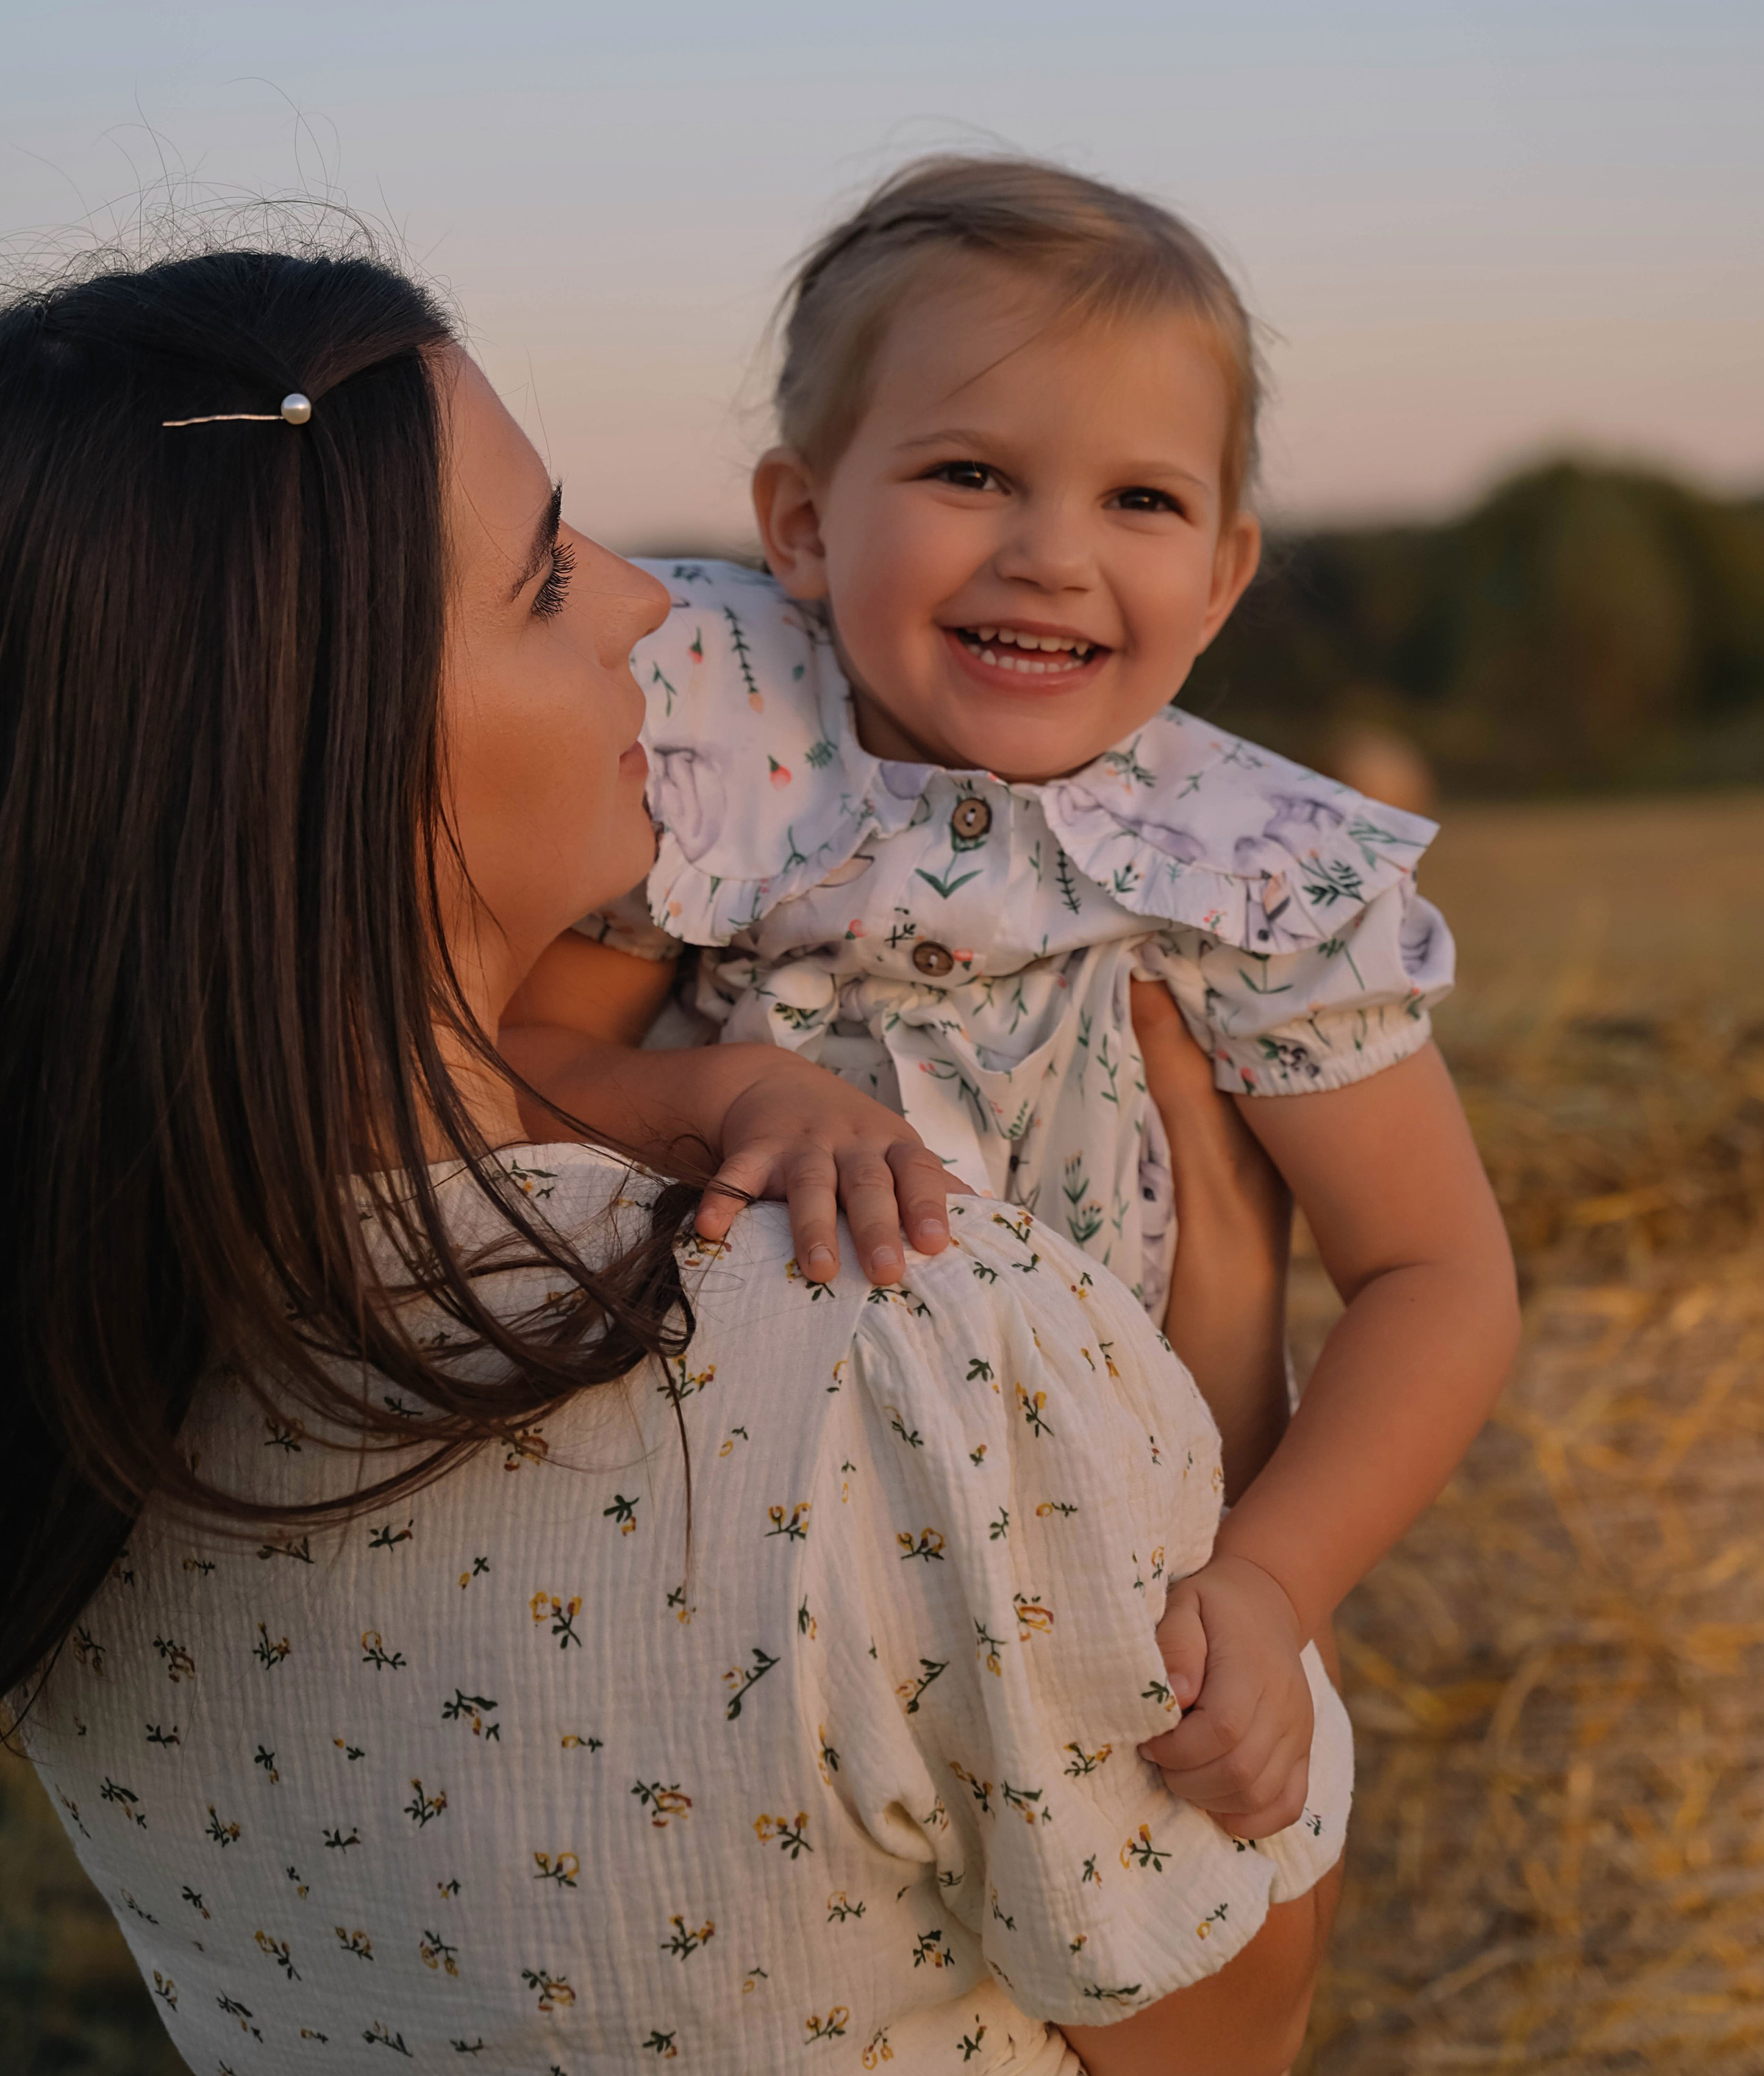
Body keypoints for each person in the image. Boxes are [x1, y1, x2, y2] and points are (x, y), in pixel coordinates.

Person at [2, 240, 1349, 2075]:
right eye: (547, 579)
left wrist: (696, 1084)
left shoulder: (71, 1359)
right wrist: (1219, 1361)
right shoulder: (902, 1339)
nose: (645, 601)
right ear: (328, 733)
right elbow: (1220, 2027)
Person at [514, 154, 1520, 1826]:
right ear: (800, 523)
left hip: (1108, 1582)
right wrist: (720, 1095)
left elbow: (1434, 1273)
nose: (1053, 555)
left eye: (1140, 501)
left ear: (1220, 571)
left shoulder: (1250, 873)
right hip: (694, 1545)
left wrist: (1270, 1589)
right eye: (972, 473)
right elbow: (512, 1077)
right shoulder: (723, 762)